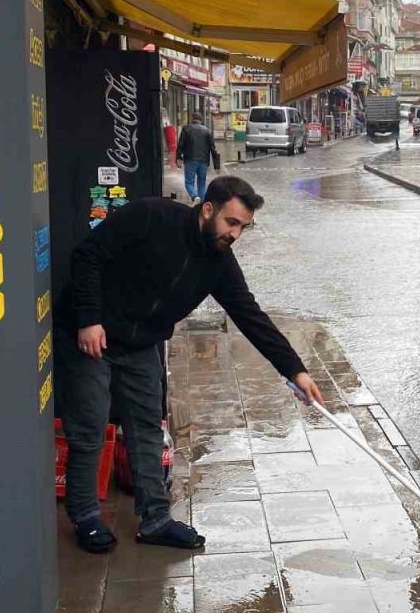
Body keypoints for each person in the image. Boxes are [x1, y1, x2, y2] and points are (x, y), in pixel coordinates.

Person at [55, 176, 326, 554]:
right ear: (208, 208)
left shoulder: (219, 262)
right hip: (90, 334)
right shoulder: (152, 216)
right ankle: (85, 517)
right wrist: (88, 318)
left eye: (244, 228)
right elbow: (88, 256)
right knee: (89, 425)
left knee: (147, 427)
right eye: (232, 223)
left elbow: (250, 317)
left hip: (141, 343)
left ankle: (156, 520)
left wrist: (295, 371)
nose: (236, 235)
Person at [176, 116, 219, 203]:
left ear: (192, 120)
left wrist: (178, 158)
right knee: (202, 184)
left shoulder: (186, 129)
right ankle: (202, 204)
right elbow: (213, 149)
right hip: (203, 161)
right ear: (201, 120)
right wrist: (216, 166)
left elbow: (180, 144)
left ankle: (194, 196)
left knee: (189, 182)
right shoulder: (207, 131)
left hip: (190, 160)